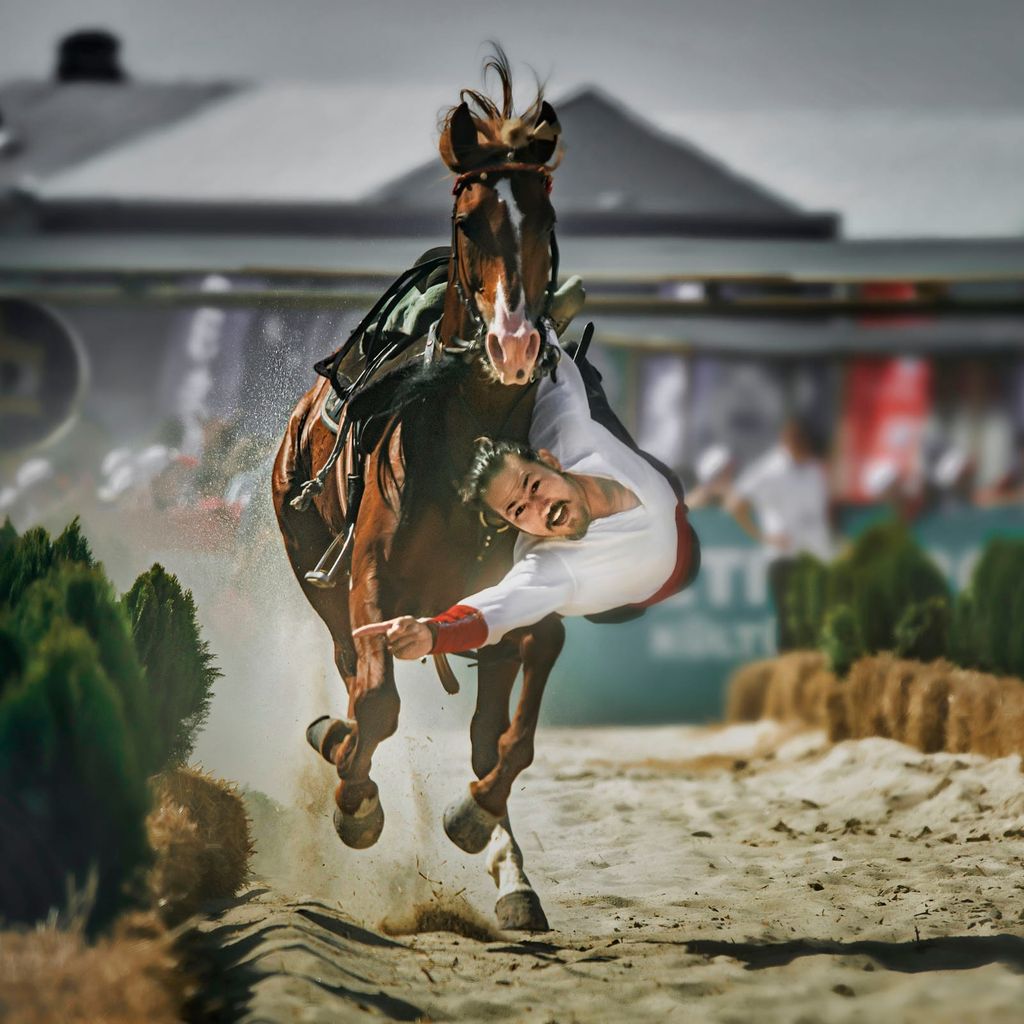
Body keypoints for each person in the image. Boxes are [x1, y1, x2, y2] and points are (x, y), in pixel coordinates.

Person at [354, 340, 700, 658]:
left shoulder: (564, 429)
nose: (541, 507)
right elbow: (495, 610)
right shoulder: (552, 568)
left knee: (576, 372)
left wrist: (521, 338)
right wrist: (433, 634)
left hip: (662, 492)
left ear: (550, 460)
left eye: (534, 486)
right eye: (518, 510)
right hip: (660, 580)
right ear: (512, 524)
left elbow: (552, 360)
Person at [725, 417, 833, 652]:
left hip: (817, 556)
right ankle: (788, 680)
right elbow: (735, 503)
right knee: (790, 623)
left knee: (817, 620)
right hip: (785, 557)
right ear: (787, 439)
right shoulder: (770, 469)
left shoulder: (815, 469)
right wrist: (763, 537)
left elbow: (822, 513)